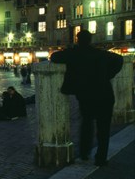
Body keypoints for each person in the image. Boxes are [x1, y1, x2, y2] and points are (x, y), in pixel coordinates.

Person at [50, 30, 123, 166]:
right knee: (103, 128)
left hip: (86, 96)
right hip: (105, 95)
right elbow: (119, 59)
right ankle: (101, 159)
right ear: (90, 40)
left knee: (87, 124)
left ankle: (84, 153)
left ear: (78, 40)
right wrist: (108, 75)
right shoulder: (100, 54)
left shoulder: (74, 54)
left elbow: (54, 57)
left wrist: (69, 50)